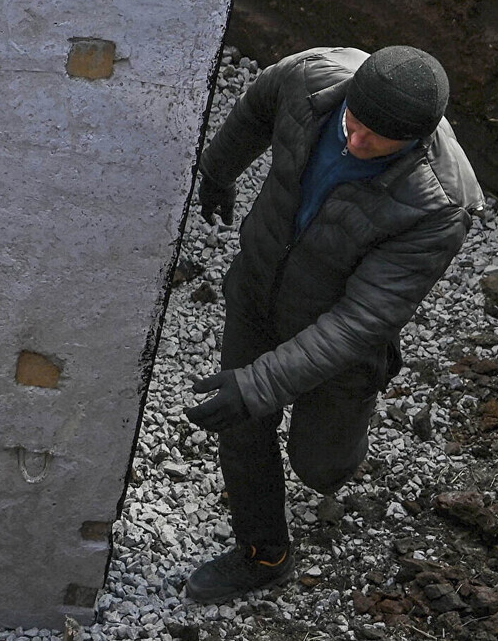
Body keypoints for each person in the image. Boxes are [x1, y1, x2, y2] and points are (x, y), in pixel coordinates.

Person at [182, 45, 482, 603]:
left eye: (378, 140)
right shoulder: (310, 79)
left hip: (339, 339)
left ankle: (349, 422)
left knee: (320, 469)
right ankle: (264, 553)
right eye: (354, 123)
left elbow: (360, 320)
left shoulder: (439, 205)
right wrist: (218, 171)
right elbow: (253, 110)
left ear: (419, 138)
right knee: (242, 425)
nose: (357, 143)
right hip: (257, 291)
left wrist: (261, 382)